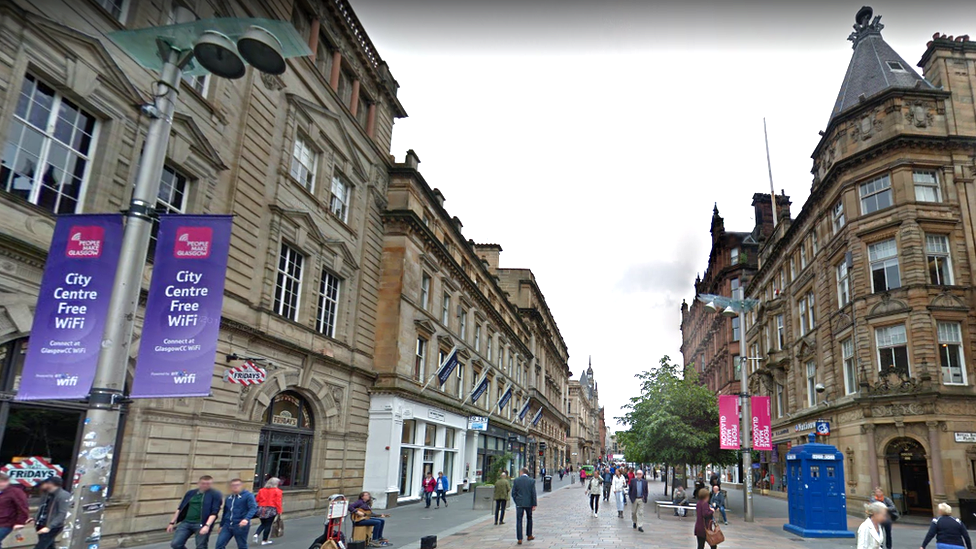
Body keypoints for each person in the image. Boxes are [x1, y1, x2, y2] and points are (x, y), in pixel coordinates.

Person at [169, 475, 223, 549]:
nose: (205, 485)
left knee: (201, 546)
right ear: (199, 483)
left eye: (208, 484)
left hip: (201, 524)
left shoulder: (215, 494)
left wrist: (207, 526)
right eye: (203, 483)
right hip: (186, 522)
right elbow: (180, 508)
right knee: (176, 544)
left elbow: (214, 512)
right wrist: (172, 523)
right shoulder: (191, 493)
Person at [215, 479, 257, 549]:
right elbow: (225, 512)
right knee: (219, 545)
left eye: (237, 485)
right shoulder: (229, 497)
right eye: (233, 485)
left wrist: (246, 519)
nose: (235, 487)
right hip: (227, 525)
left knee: (242, 545)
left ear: (241, 486)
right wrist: (221, 525)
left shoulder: (248, 496)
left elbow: (253, 508)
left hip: (240, 525)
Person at [31, 477, 70, 549]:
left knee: (41, 546)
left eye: (45, 483)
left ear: (50, 484)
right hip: (42, 524)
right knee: (49, 546)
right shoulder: (47, 494)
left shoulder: (63, 495)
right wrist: (35, 518)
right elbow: (42, 508)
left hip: (53, 526)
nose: (41, 487)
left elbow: (62, 513)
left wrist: (49, 527)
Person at [0, 473, 29, 544]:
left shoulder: (15, 492)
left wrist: (20, 522)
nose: (1, 484)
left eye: (3, 481)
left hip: (6, 523)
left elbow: (23, 507)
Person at [511, 468, 537, 545]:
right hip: (529, 503)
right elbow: (533, 493)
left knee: (519, 520)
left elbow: (513, 493)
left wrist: (517, 501)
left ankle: (519, 538)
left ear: (521, 472)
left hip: (519, 503)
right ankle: (529, 535)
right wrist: (534, 504)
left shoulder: (516, 480)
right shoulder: (531, 481)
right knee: (529, 518)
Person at [253, 478, 282, 546]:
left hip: (261, 508)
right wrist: (279, 511)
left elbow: (257, 499)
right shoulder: (278, 491)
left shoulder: (261, 490)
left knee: (263, 523)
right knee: (268, 524)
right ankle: (264, 540)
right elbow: (278, 502)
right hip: (271, 509)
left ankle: (256, 534)